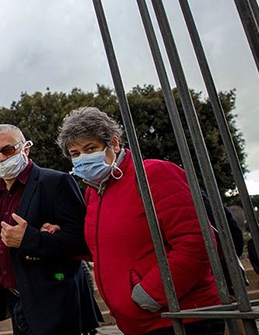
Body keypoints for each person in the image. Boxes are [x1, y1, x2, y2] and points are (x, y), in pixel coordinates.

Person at [56, 106, 223, 335]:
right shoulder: (94, 193)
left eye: (90, 148)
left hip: (178, 318)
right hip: (137, 324)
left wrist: (150, 295)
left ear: (114, 144)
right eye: (75, 154)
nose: (82, 158)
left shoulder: (153, 174)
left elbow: (197, 242)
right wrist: (55, 235)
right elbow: (106, 248)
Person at [0, 124, 93, 335]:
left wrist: (30, 239)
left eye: (8, 150)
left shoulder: (55, 182)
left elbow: (83, 241)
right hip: (18, 302)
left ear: (25, 149)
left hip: (56, 303)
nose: (1, 158)